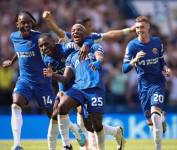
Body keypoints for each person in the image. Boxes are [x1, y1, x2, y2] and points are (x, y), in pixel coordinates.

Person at [42, 10, 128, 150]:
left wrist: (98, 62)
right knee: (61, 109)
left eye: (79, 30)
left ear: (85, 34)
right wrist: (53, 75)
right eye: (73, 30)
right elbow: (65, 77)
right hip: (75, 87)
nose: (75, 32)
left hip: (94, 88)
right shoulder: (69, 53)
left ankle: (114, 133)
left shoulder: (92, 44)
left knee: (92, 124)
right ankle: (67, 145)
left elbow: (100, 54)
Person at [5, 11, 84, 150]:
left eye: (29, 22)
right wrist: (12, 62)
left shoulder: (38, 37)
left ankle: (74, 129)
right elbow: (19, 50)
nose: (26, 25)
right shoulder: (14, 37)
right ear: (17, 24)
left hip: (43, 83)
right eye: (23, 22)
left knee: (54, 115)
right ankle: (17, 144)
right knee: (16, 104)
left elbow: (54, 46)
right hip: (25, 80)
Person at [122, 16, 171, 150]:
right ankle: (161, 119)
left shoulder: (157, 42)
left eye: (142, 27)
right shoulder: (132, 46)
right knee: (151, 122)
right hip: (143, 87)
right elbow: (124, 69)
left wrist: (165, 68)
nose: (139, 30)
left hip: (157, 83)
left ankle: (158, 148)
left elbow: (161, 61)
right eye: (137, 28)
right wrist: (135, 60)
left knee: (154, 117)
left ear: (148, 27)